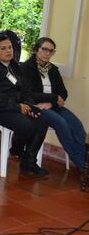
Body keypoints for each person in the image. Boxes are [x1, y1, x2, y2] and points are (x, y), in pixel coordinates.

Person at [0, 33, 49, 176]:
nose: (9, 51)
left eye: (10, 47)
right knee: (27, 126)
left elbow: (24, 90)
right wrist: (18, 107)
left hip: (11, 106)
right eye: (3, 48)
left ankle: (29, 162)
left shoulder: (13, 65)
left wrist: (29, 105)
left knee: (42, 119)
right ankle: (17, 149)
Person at [20, 37, 86, 170]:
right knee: (62, 124)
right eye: (44, 49)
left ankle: (83, 163)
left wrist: (52, 103)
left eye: (51, 51)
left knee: (78, 128)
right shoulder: (25, 68)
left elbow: (64, 92)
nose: (47, 53)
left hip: (52, 106)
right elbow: (29, 94)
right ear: (36, 49)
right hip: (37, 107)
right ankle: (83, 166)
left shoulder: (53, 69)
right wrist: (54, 97)